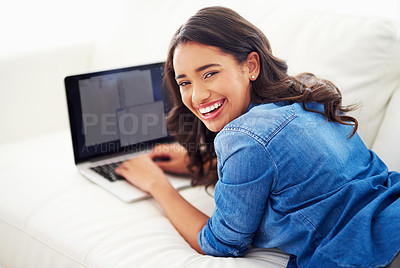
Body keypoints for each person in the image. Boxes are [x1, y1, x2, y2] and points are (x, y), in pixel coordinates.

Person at [115, 6, 400, 268]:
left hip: (378, 253)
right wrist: (202, 165)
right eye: (185, 82)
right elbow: (294, 174)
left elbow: (219, 244)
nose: (197, 95)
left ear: (251, 65)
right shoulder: (306, 96)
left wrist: (156, 184)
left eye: (210, 73)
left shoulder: (243, 138)